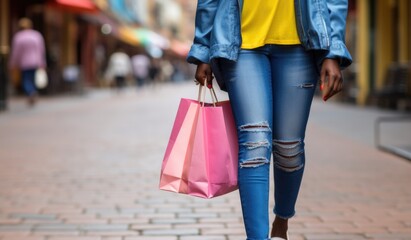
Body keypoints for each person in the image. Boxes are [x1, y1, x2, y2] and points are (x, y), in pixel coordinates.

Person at [187, 1, 352, 240]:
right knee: (254, 143)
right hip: (241, 42)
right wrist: (203, 48)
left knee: (289, 148)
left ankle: (282, 220)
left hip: (300, 42)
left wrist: (333, 50)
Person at [9, 18, 46, 106]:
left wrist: (12, 63)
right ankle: (33, 91)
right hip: (36, 61)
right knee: (33, 79)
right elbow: (41, 50)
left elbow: (16, 52)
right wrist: (42, 62)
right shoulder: (36, 35)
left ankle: (31, 92)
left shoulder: (18, 37)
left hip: (24, 63)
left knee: (26, 80)